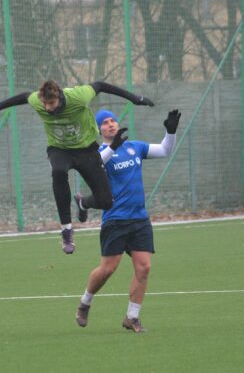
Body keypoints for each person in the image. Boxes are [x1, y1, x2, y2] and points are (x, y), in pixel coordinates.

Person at [0, 80, 153, 254]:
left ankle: (83, 202)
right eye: (45, 103)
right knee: (58, 172)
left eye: (51, 103)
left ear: (59, 97)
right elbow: (24, 97)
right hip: (60, 149)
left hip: (86, 150)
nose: (47, 108)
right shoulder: (38, 101)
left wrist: (135, 98)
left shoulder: (79, 97)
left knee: (106, 202)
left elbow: (101, 85)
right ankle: (66, 229)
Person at [74, 108, 181, 332]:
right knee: (107, 269)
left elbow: (164, 150)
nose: (111, 124)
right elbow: (94, 166)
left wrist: (170, 131)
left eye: (113, 120)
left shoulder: (135, 147)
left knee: (144, 268)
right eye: (105, 122)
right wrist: (113, 147)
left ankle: (132, 317)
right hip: (115, 220)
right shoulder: (99, 152)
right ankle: (85, 302)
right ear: (99, 129)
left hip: (139, 218)